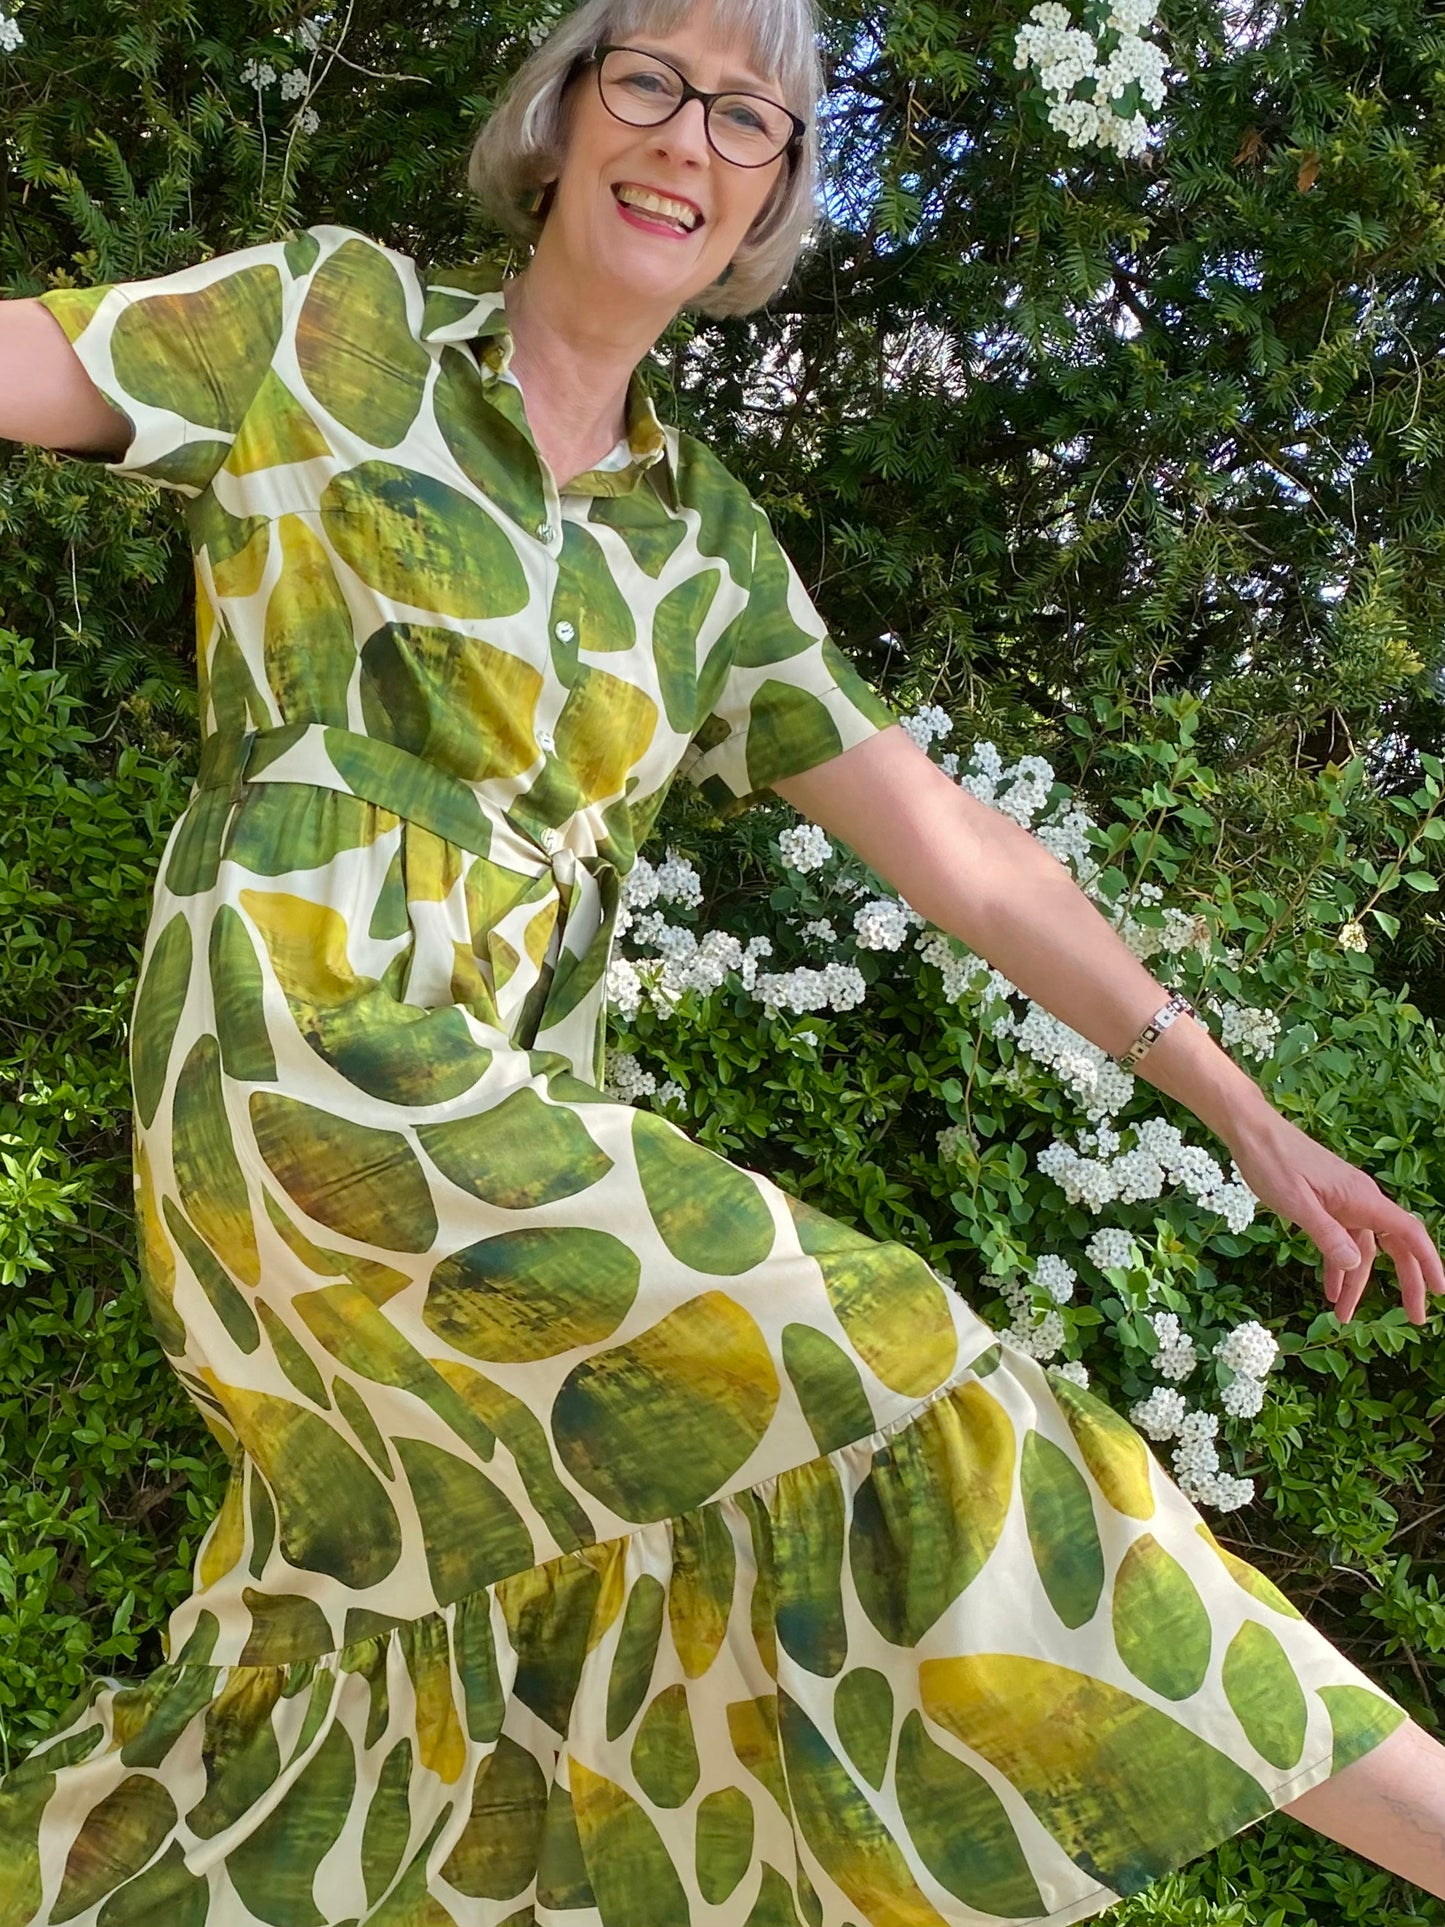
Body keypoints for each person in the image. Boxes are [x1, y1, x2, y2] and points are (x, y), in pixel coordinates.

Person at [0, 0, 1441, 1920]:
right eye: (650, 80)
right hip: (299, 1044)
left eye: (747, 116)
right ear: (560, 112)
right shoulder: (329, 324)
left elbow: (963, 857)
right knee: (890, 1359)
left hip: (504, 1084)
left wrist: (1242, 1113)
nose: (687, 138)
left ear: (769, 194)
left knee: (460, 1647)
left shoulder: (706, 551)